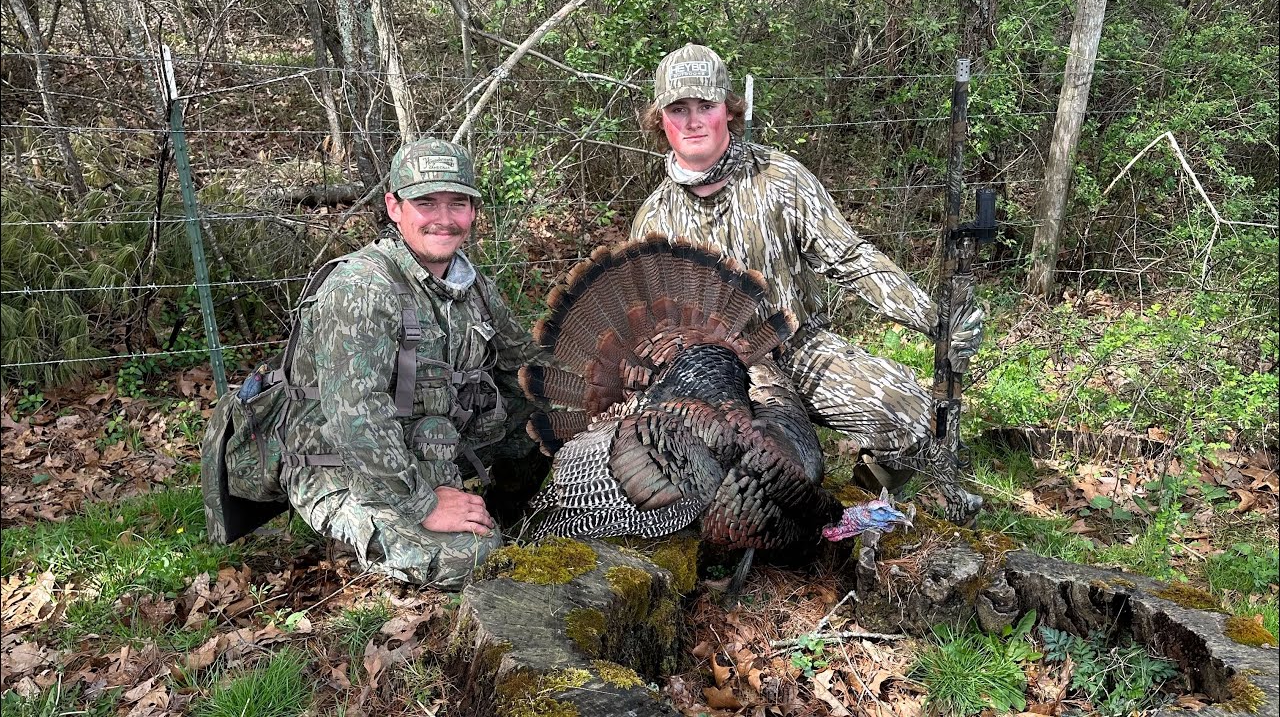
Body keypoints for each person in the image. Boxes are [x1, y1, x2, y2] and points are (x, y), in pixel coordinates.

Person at [630, 44, 984, 519]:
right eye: (678, 109)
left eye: (706, 106)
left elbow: (852, 256)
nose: (693, 121)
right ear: (661, 121)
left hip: (798, 348)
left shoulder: (779, 179)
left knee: (911, 415)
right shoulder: (653, 218)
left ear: (728, 113)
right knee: (724, 472)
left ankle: (864, 493)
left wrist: (933, 318)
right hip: (715, 375)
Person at [282, 138, 548, 588]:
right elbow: (355, 422)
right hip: (342, 468)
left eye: (458, 203)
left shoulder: (471, 285)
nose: (444, 219)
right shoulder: (362, 288)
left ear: (473, 211)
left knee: (543, 418)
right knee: (475, 558)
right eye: (427, 202)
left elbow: (528, 367)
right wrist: (425, 504)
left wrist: (611, 391)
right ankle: (367, 532)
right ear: (394, 206)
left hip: (430, 444)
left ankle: (493, 512)